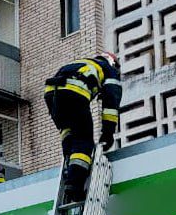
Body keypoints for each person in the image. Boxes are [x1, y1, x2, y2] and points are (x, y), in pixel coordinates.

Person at [43, 52, 123, 202]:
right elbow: (111, 105)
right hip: (74, 94)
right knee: (84, 141)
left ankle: (69, 168)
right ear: (113, 63)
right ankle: (75, 185)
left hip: (51, 95)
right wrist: (108, 133)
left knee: (68, 133)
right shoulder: (109, 70)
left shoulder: (82, 63)